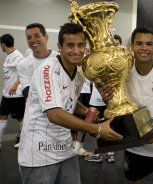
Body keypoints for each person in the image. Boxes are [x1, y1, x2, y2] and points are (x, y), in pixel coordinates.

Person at [18, 22, 123, 184]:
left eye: (80, 45)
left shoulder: (80, 70)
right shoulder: (48, 70)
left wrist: (86, 111)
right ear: (60, 46)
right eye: (70, 45)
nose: (76, 51)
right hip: (39, 152)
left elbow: (68, 100)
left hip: (65, 149)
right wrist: (98, 129)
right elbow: (54, 114)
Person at [99, 26, 153, 184]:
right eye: (139, 43)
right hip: (134, 145)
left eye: (149, 44)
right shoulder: (122, 72)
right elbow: (118, 106)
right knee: (133, 181)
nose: (144, 48)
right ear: (132, 46)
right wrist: (108, 99)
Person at [17, 23, 59, 100]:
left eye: (37, 36)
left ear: (46, 37)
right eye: (29, 37)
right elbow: (26, 90)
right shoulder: (22, 64)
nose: (32, 40)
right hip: (35, 110)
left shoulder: (59, 59)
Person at [0, 34, 25, 150]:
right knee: (2, 116)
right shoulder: (9, 56)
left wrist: (15, 84)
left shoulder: (18, 56)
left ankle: (25, 141)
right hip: (6, 94)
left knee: (20, 118)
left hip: (16, 95)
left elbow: (24, 73)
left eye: (0, 44)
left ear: (3, 44)